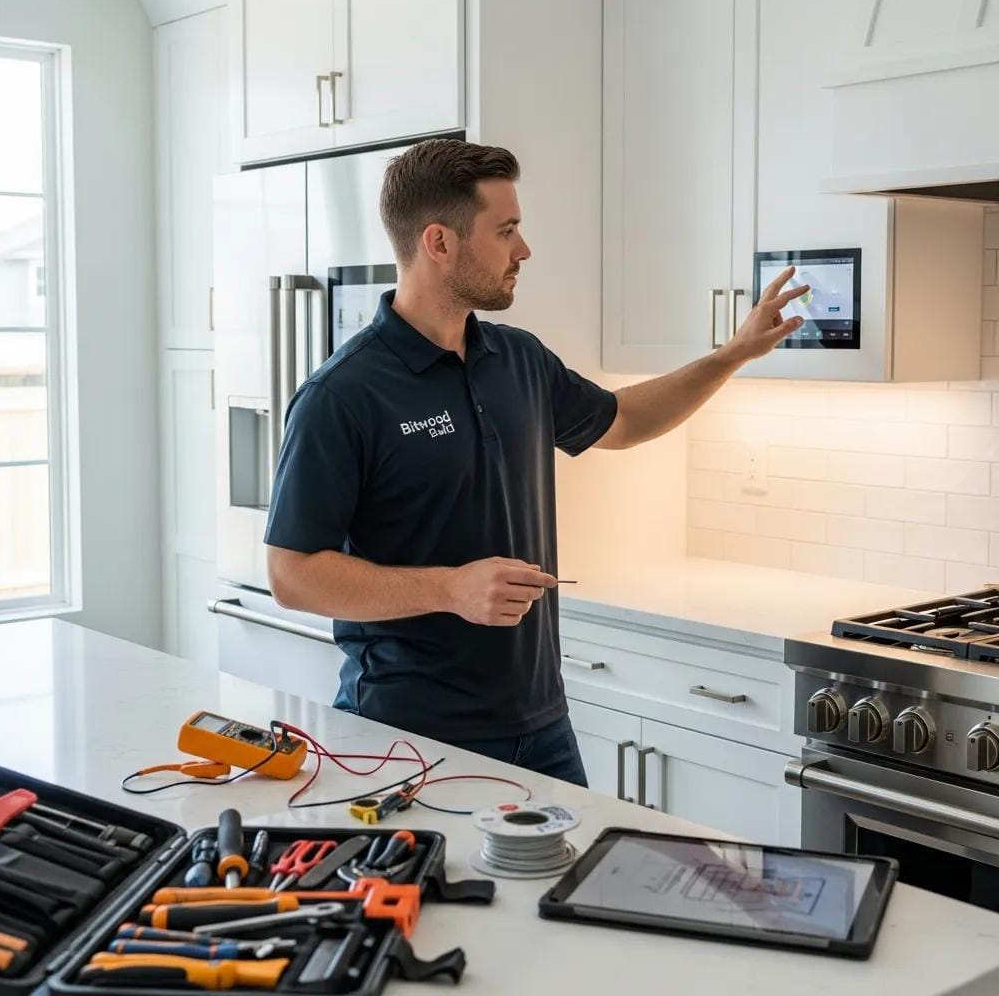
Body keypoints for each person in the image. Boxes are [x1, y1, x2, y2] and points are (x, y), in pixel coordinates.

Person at [264, 139, 807, 786]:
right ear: (439, 243)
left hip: (542, 727)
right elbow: (291, 573)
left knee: (565, 888)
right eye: (507, 230)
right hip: (407, 739)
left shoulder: (517, 360)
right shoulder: (343, 394)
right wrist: (449, 588)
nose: (523, 250)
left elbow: (624, 419)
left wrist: (730, 355)